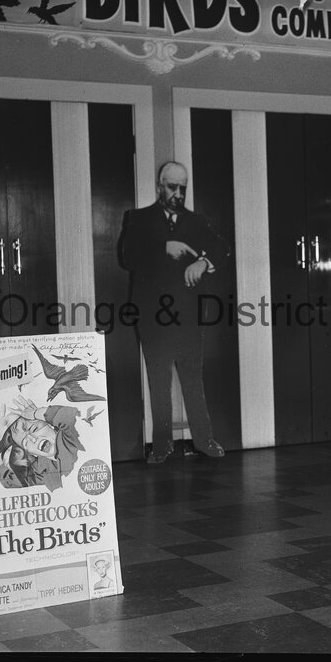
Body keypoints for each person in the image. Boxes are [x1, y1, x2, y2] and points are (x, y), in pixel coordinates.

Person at [118, 160, 230, 461]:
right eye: (172, 187)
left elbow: (222, 248)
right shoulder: (138, 219)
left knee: (194, 380)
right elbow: (126, 257)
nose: (178, 194)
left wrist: (203, 262)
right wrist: (163, 248)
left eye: (183, 188)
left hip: (188, 316)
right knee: (159, 381)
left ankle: (204, 440)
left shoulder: (197, 222)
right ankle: (163, 446)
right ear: (159, 185)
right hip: (152, 317)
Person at [0, 395, 84, 491]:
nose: (33, 440)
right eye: (25, 443)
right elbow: (8, 481)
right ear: (30, 453)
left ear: (48, 423)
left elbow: (69, 415)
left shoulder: (70, 435)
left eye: (34, 429)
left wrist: (36, 413)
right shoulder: (43, 470)